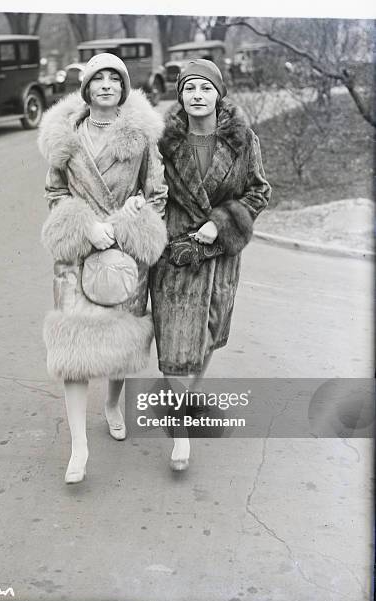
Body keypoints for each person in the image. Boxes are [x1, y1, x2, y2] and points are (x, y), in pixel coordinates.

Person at [38, 53, 168, 483]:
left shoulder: (142, 137)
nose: (107, 85)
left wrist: (132, 214)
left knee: (118, 344)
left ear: (124, 88)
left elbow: (157, 194)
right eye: (99, 79)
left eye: (116, 78)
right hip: (77, 252)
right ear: (87, 88)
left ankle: (113, 404)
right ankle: (79, 447)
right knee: (73, 349)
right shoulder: (66, 137)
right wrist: (86, 225)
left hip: (123, 256)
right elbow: (55, 193)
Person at [150, 59, 271, 471]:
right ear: (180, 96)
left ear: (218, 93)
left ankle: (181, 399)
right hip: (176, 256)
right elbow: (148, 191)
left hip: (220, 258)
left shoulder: (243, 139)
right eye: (188, 89)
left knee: (210, 334)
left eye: (204, 88)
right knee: (175, 344)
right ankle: (180, 434)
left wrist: (220, 224)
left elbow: (259, 191)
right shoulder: (163, 142)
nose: (197, 96)